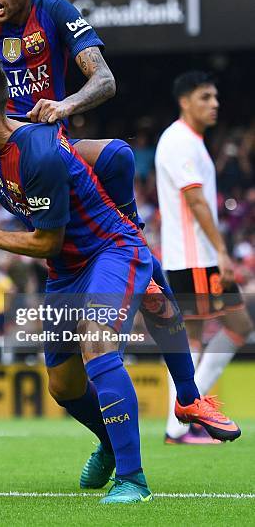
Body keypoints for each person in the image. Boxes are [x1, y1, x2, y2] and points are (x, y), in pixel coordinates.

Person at [0, 56, 241, 503]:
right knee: (63, 386)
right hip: (68, 271)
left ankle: (133, 479)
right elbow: (114, 154)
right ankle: (115, 439)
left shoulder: (35, 151)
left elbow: (48, 243)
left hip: (107, 250)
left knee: (97, 343)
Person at [155, 71, 253, 444]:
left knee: (232, 327)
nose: (214, 104)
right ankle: (181, 420)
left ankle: (185, 415)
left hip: (196, 256)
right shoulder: (180, 140)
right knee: (196, 336)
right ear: (185, 101)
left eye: (215, 97)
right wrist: (223, 251)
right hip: (193, 257)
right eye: (205, 97)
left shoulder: (190, 141)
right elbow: (194, 200)